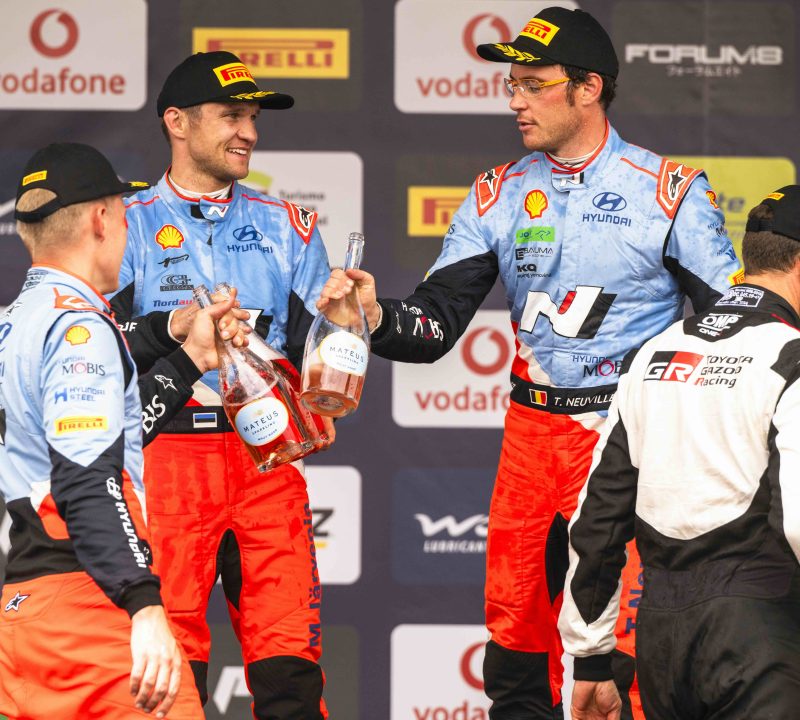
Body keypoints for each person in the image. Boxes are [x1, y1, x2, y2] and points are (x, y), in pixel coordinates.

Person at [317, 6, 742, 718]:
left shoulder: (669, 191)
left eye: (533, 83)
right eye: (511, 83)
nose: (514, 99)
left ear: (588, 88)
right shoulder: (498, 192)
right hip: (529, 440)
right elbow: (434, 323)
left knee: (621, 659)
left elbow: (733, 326)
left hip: (625, 441)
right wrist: (374, 314)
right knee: (514, 648)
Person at [109, 51, 332, 719]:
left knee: (292, 673)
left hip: (267, 459)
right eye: (232, 116)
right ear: (177, 122)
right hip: (166, 462)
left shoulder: (289, 226)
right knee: (170, 681)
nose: (250, 133)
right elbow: (97, 342)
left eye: (253, 118)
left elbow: (321, 353)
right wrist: (173, 326)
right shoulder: (126, 223)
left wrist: (340, 344)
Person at [0, 142, 247, 719]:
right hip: (91, 610)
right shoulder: (79, 327)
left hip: (24, 615)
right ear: (100, 220)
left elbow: (108, 434)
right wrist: (142, 604)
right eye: (124, 213)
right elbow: (87, 478)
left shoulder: (15, 323)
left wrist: (191, 360)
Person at [558, 186, 800, 720]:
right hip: (763, 634)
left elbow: (597, 519)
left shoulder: (658, 349)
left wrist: (591, 659)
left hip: (663, 644)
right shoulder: (792, 356)